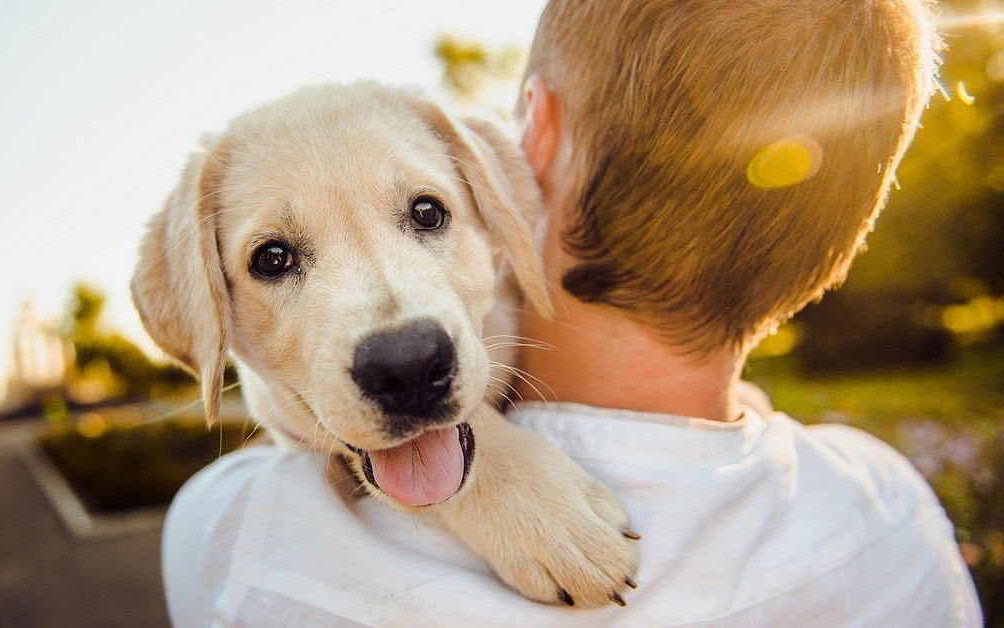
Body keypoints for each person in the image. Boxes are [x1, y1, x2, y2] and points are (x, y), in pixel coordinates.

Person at [161, 0, 983, 625]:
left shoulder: (238, 540)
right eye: (276, 260)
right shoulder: (895, 516)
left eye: (425, 213)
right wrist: (483, 476)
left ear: (531, 144)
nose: (400, 332)